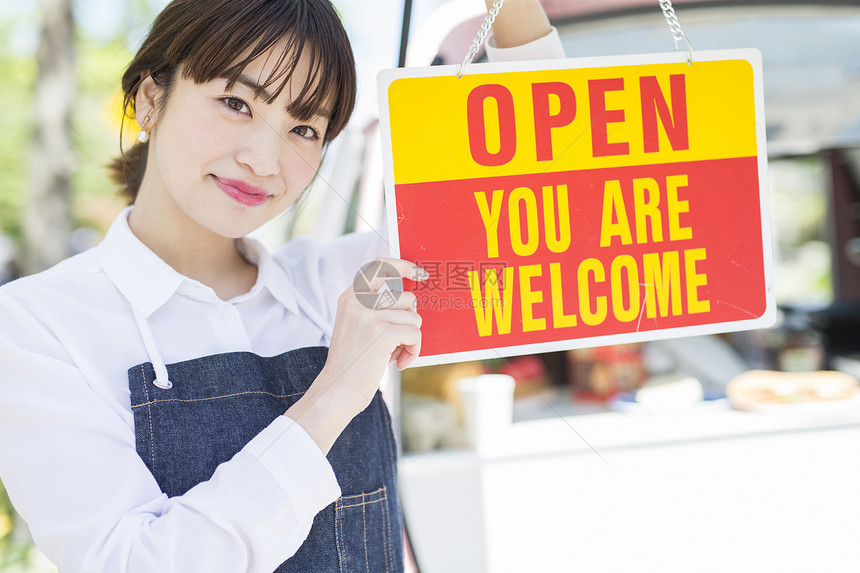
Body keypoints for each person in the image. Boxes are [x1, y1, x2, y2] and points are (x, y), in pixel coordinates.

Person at [0, 0, 563, 571]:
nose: (264, 161)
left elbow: (540, 204)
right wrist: (335, 391)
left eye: (303, 128)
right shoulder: (36, 326)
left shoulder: (342, 283)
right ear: (150, 99)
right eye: (235, 103)